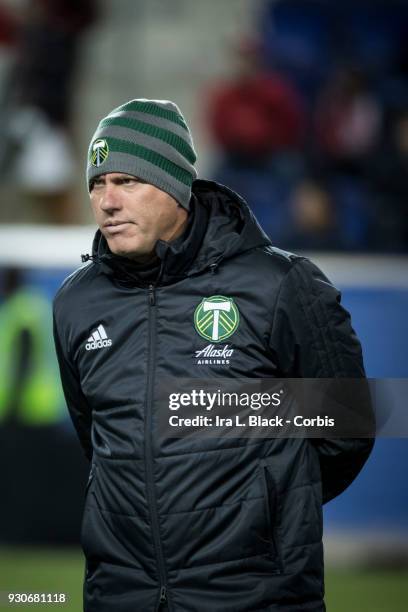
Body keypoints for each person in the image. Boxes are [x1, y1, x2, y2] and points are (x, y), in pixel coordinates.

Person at [52, 98, 374, 612]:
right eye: (96, 183)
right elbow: (97, 436)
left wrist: (268, 510)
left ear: (176, 186)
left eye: (127, 181)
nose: (107, 201)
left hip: (254, 597)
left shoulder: (279, 285)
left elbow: (346, 427)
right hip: (120, 595)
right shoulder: (77, 301)